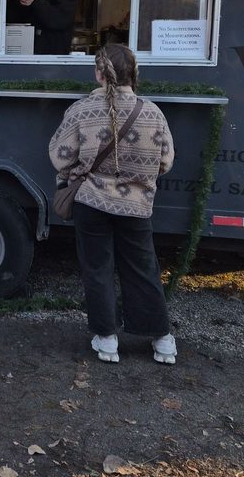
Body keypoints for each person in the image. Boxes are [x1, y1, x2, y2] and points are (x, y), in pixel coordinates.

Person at [48, 44, 177, 365]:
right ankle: (163, 341)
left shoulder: (81, 111)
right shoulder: (153, 113)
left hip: (91, 203)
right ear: (134, 74)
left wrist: (77, 173)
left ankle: (107, 341)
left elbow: (59, 156)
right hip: (137, 207)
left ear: (99, 74)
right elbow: (166, 162)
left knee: (98, 269)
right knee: (144, 269)